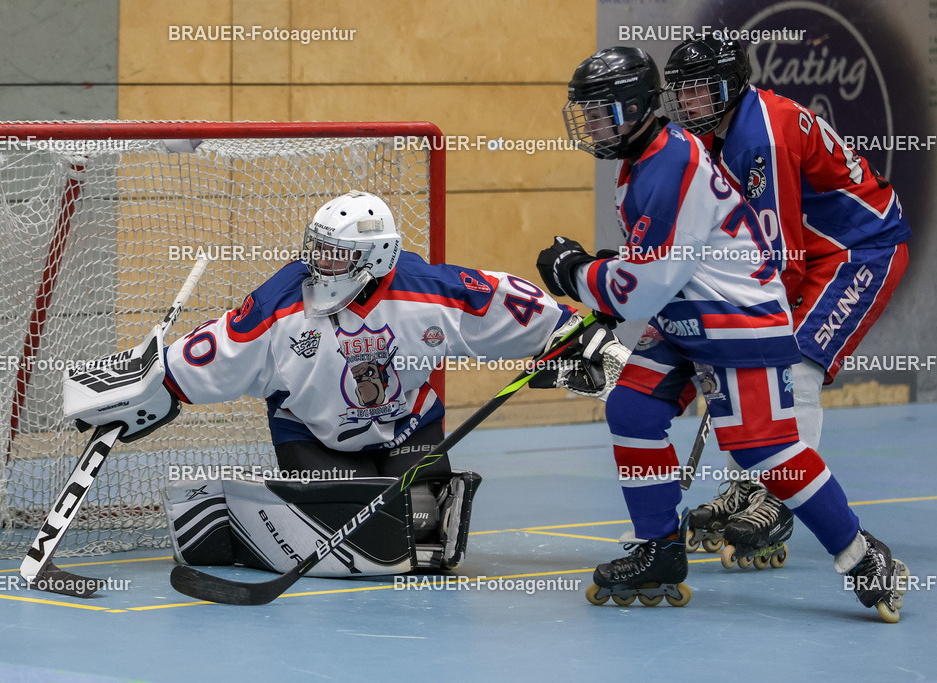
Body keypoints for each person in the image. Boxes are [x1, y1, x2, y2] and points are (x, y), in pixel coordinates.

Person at [66, 190, 615, 578]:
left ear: (375, 257)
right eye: (317, 248)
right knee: (355, 551)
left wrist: (574, 337)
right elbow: (214, 349)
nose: (318, 262)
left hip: (409, 428)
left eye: (335, 254)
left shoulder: (431, 291)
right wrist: (152, 388)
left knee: (424, 553)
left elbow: (514, 303)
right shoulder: (281, 302)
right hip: (312, 434)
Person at [536, 46, 907, 620]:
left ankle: (860, 554)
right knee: (632, 408)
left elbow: (649, 286)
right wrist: (612, 278)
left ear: (633, 108)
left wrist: (580, 275)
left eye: (599, 112)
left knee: (763, 444)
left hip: (745, 309)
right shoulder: (644, 155)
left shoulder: (707, 152)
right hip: (691, 309)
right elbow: (655, 264)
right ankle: (659, 548)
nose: (589, 125)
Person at [660, 37, 910, 556]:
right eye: (682, 92)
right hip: (812, 252)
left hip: (858, 249)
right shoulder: (716, 131)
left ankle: (779, 498)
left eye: (702, 90)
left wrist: (745, 325)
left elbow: (780, 260)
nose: (689, 103)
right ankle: (749, 485)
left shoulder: (761, 140)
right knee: (746, 365)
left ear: (731, 86)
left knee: (795, 366)